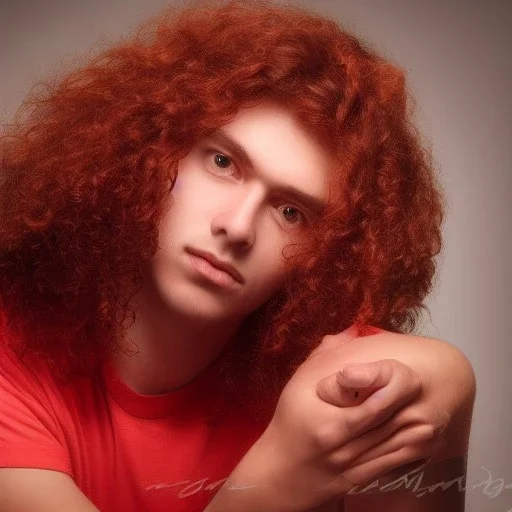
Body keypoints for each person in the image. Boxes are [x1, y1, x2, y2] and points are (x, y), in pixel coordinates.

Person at [0, 1, 476, 511]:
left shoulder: (329, 383)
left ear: (330, 253)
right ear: (151, 150)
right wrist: (277, 480)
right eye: (223, 162)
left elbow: (429, 371)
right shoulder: (14, 353)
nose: (236, 226)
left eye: (291, 212)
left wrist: (449, 378)